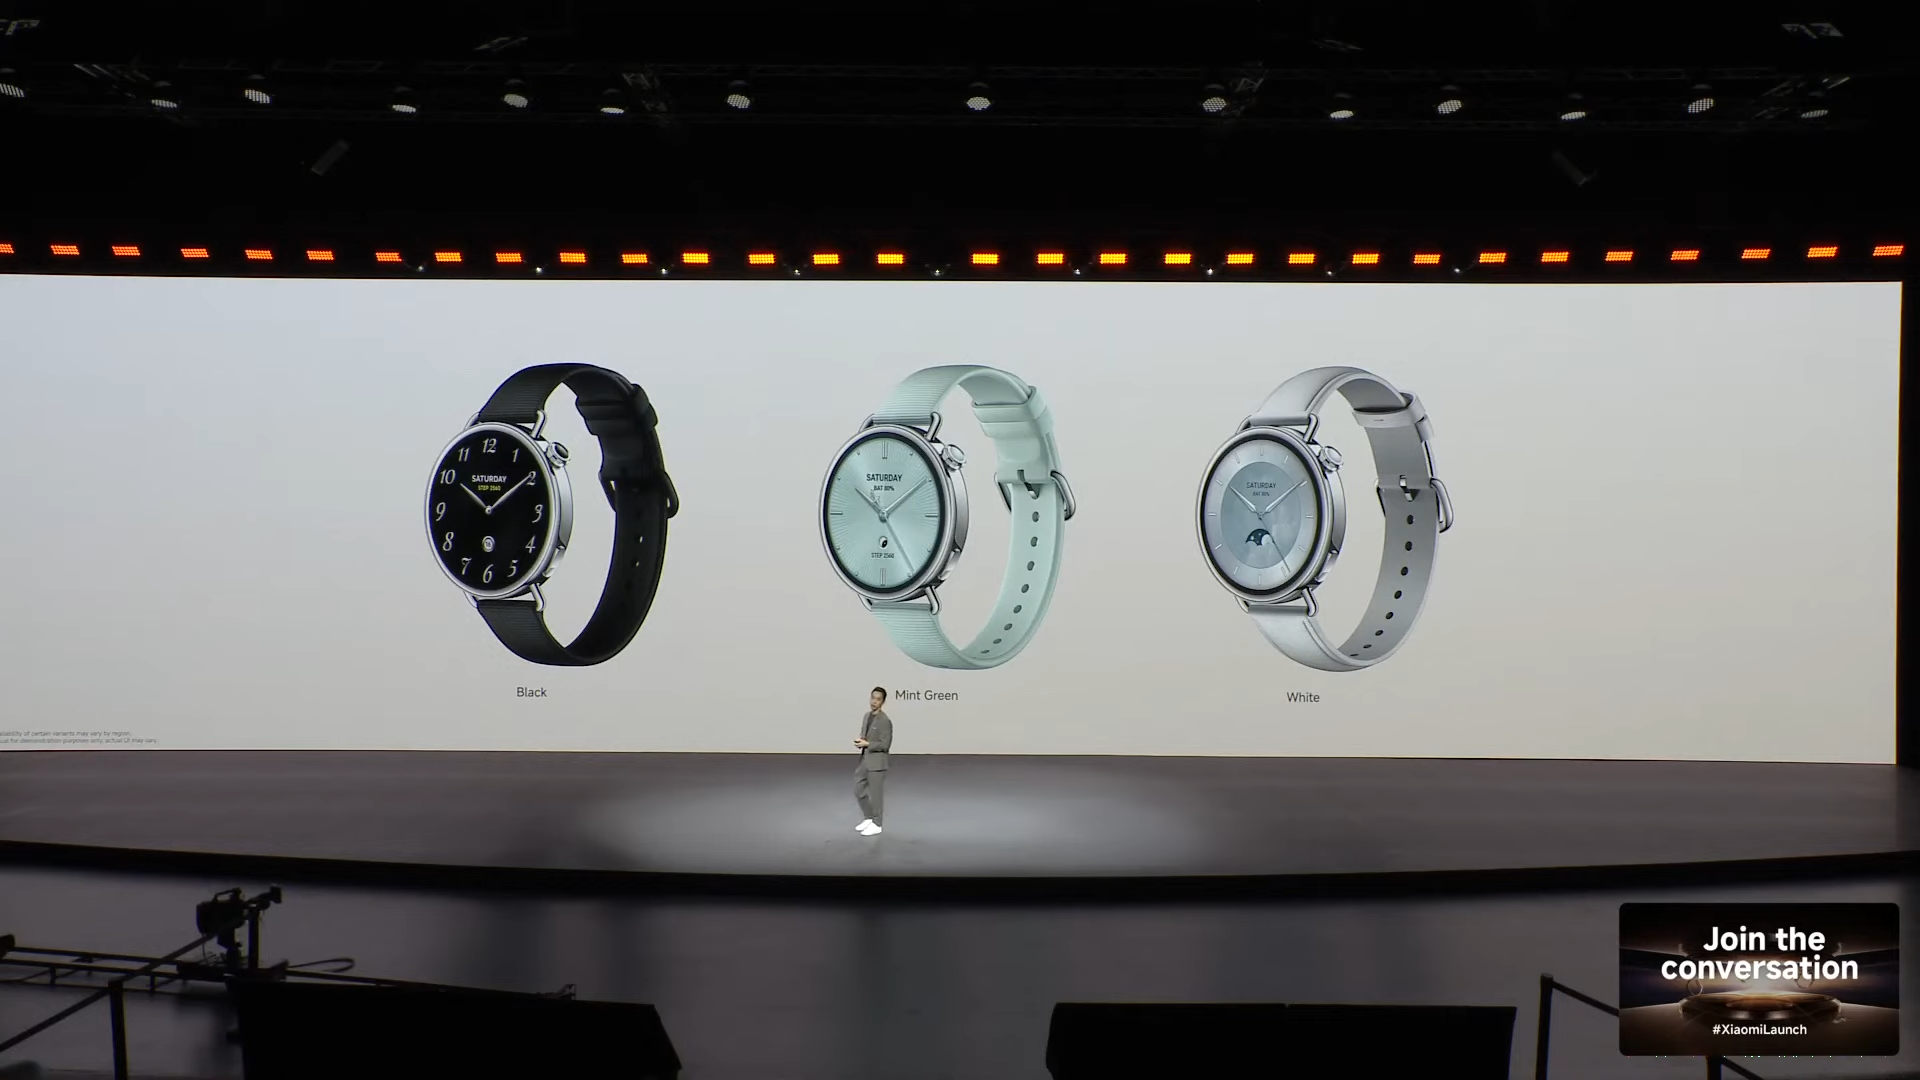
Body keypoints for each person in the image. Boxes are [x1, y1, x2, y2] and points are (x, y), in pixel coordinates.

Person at [853, 686, 893, 836]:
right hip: (865, 759)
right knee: (858, 788)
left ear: (883, 702)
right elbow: (865, 736)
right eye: (872, 698)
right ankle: (869, 817)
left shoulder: (885, 721)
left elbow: (885, 745)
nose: (874, 702)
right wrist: (861, 741)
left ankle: (877, 824)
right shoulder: (867, 716)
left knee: (876, 796)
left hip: (877, 763)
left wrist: (868, 744)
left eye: (878, 699)